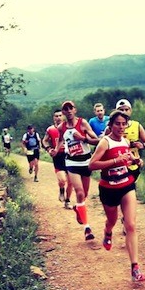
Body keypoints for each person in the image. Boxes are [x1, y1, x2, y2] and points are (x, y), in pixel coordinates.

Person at [89, 110, 145, 282]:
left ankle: (135, 268)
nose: (121, 127)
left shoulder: (126, 141)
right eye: (117, 124)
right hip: (108, 188)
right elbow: (92, 165)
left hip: (127, 184)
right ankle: (107, 231)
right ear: (111, 125)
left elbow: (127, 159)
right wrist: (115, 161)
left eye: (124, 124)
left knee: (131, 225)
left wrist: (135, 161)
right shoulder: (104, 143)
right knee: (112, 221)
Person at [54, 100, 100, 241]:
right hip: (71, 162)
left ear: (75, 110)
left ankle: (78, 208)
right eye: (65, 109)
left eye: (70, 108)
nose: (68, 111)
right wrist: (55, 150)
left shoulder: (83, 123)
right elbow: (60, 140)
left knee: (84, 195)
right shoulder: (61, 127)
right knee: (79, 192)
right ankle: (87, 228)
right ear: (63, 113)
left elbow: (97, 140)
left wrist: (82, 138)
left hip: (86, 161)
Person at [107, 99, 145, 235]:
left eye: (126, 109)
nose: (124, 112)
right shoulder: (113, 126)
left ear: (130, 111)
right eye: (121, 110)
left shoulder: (137, 125)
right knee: (124, 195)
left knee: (129, 195)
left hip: (133, 166)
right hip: (118, 167)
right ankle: (127, 221)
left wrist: (142, 145)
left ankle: (126, 219)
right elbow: (104, 140)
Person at [42, 109, 73, 209]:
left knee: (71, 181)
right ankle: (61, 190)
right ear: (53, 118)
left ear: (63, 116)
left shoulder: (68, 127)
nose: (58, 118)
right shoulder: (50, 129)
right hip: (58, 156)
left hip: (69, 155)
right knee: (63, 180)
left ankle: (67, 201)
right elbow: (44, 140)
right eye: (56, 116)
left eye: (60, 115)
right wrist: (49, 149)